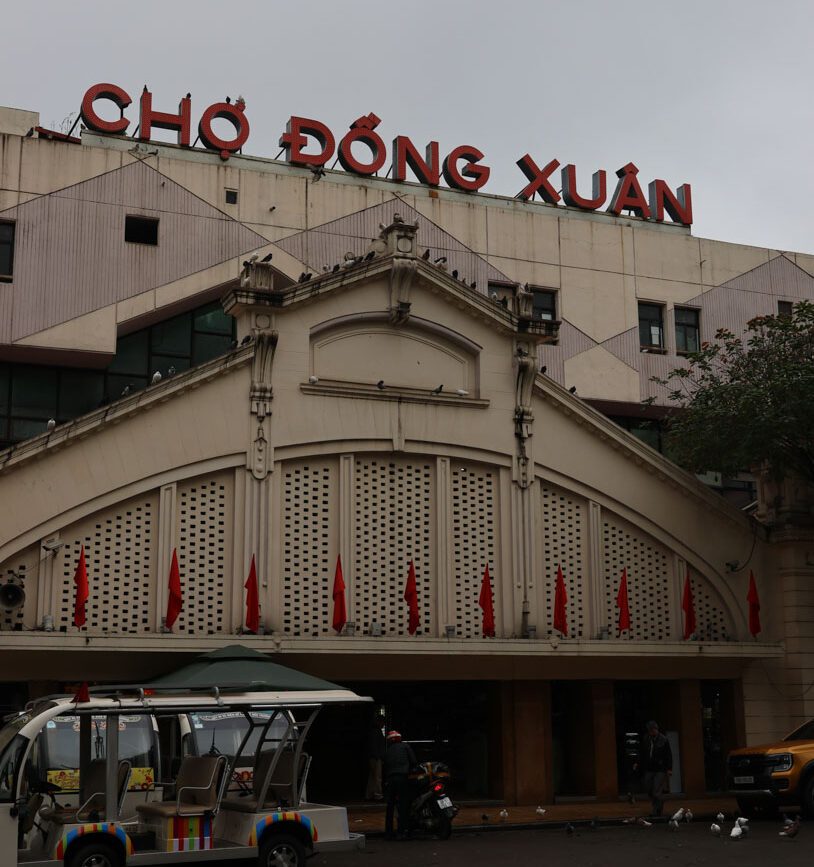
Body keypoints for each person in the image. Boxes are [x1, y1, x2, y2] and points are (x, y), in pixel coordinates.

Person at [634, 720, 673, 816]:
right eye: (650, 730)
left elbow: (668, 755)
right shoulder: (646, 739)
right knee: (648, 788)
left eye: (653, 730)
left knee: (656, 790)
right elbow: (642, 752)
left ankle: (655, 810)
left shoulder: (663, 740)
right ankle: (659, 802)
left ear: (656, 729)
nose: (651, 732)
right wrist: (637, 762)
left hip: (660, 768)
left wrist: (669, 769)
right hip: (649, 768)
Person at [383, 730, 416, 840]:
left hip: (390, 779)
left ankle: (388, 832)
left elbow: (385, 765)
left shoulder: (388, 751)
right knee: (403, 805)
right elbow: (413, 761)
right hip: (402, 778)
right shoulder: (405, 746)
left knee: (390, 806)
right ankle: (401, 832)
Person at [365, 718, 385, 800]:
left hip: (372, 757)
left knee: (372, 776)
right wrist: (378, 756)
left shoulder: (373, 731)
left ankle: (369, 794)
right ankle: (378, 795)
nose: (383, 724)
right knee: (377, 777)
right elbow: (375, 745)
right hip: (376, 757)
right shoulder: (377, 731)